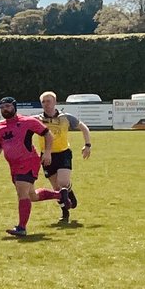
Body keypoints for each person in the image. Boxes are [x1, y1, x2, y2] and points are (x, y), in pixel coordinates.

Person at [0, 96, 53, 237]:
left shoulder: (28, 122)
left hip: (28, 161)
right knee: (32, 196)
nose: (5, 109)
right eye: (2, 107)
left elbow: (48, 134)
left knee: (21, 193)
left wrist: (47, 152)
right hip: (13, 165)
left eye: (8, 106)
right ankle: (61, 194)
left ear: (15, 107)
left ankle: (21, 228)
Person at [33, 91, 91, 223]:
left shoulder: (66, 117)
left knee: (63, 182)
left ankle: (69, 191)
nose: (46, 104)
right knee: (56, 189)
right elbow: (17, 121)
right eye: (43, 102)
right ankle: (65, 212)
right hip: (46, 156)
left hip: (63, 153)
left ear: (55, 102)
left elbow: (83, 128)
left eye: (48, 101)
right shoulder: (37, 119)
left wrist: (87, 145)